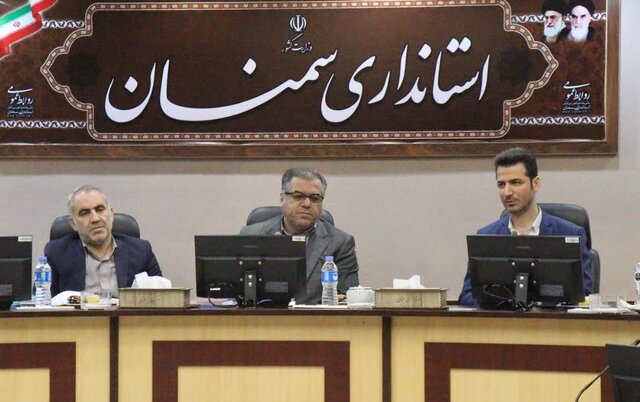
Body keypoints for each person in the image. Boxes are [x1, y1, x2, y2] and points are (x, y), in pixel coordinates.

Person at [458, 147, 592, 307]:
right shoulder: (486, 236)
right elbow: (467, 296)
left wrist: (537, 307)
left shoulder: (569, 233)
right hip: (502, 321)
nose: (507, 192)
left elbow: (584, 293)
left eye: (516, 182)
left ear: (536, 184)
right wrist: (511, 306)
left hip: (552, 322)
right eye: (501, 184)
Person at [240, 168, 359, 304]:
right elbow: (237, 291)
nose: (307, 204)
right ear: (282, 198)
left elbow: (348, 298)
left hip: (315, 316)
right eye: (298, 196)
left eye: (315, 198)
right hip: (262, 316)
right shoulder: (251, 236)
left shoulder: (341, 243)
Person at [45, 185, 162, 296]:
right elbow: (42, 302)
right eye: (85, 213)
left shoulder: (142, 251)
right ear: (73, 223)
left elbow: (161, 298)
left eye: (100, 209)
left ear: (111, 214)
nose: (95, 218)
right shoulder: (56, 254)